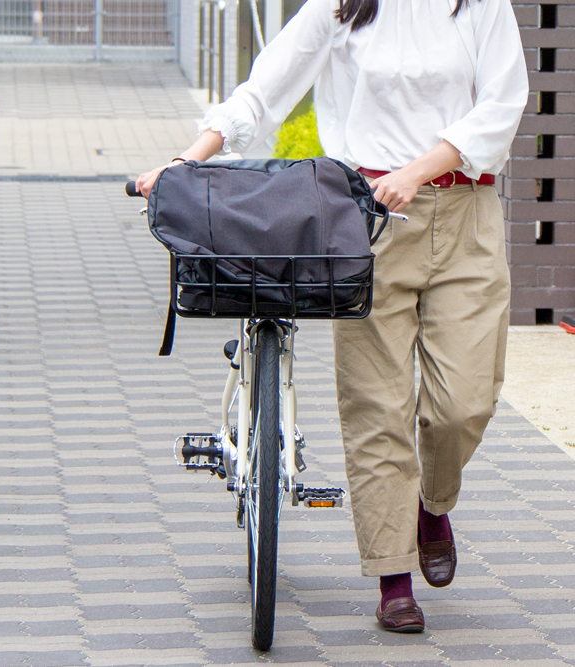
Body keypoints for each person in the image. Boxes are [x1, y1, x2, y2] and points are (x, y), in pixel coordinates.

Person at [136, 0, 528, 633]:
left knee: (464, 403)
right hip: (367, 220)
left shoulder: (480, 6)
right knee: (376, 403)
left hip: (467, 216)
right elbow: (265, 90)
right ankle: (393, 576)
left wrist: (421, 168)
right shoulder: (342, 7)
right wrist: (188, 160)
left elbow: (504, 102)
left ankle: (433, 505)